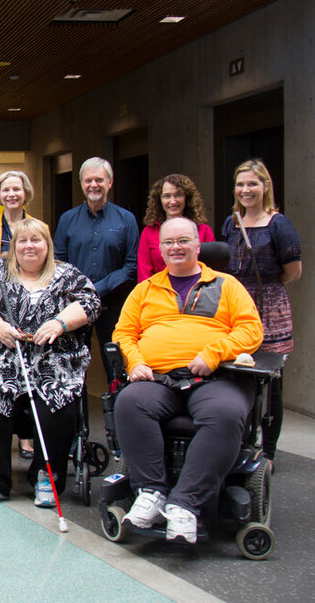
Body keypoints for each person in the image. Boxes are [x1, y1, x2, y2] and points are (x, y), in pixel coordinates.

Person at [113, 217, 263, 543]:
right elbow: (124, 333)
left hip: (216, 379)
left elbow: (251, 330)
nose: (176, 247)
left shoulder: (227, 285)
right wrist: (136, 361)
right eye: (168, 242)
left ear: (198, 244)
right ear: (160, 249)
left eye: (183, 241)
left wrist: (213, 353)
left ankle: (185, 504)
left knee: (224, 413)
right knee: (129, 402)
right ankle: (151, 492)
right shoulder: (145, 289)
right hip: (159, 379)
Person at [0, 218, 99, 508]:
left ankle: (46, 476)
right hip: (3, 359)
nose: (29, 246)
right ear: (13, 246)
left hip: (54, 361)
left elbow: (90, 302)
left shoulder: (66, 274)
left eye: (36, 240)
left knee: (58, 399)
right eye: (22, 241)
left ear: (48, 245)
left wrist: (59, 323)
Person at [221, 159, 301, 462]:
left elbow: (294, 271)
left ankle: (267, 452)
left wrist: (264, 288)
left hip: (269, 309)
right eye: (240, 184)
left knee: (272, 382)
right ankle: (242, 445)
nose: (246, 190)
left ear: (265, 186)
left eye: (252, 183)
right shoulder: (231, 222)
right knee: (238, 374)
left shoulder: (279, 224)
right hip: (235, 305)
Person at [0, 169, 47, 459]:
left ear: (25, 192)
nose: (11, 194)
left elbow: (48, 263)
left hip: (32, 307)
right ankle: (0, 437)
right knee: (1, 371)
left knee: (30, 372)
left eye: (17, 189)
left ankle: (27, 438)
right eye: (6, 190)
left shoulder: (39, 227)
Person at [53, 157, 138, 383]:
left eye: (99, 180)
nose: (94, 185)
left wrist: (96, 289)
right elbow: (58, 262)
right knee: (73, 366)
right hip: (74, 305)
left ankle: (119, 411)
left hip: (113, 304)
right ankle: (77, 418)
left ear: (110, 183)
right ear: (81, 183)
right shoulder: (67, 220)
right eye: (88, 180)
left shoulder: (126, 220)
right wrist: (79, 292)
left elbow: (131, 265)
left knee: (116, 364)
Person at [137, 174, 215, 282]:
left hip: (198, 292)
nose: (172, 201)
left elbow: (212, 269)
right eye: (167, 196)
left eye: (178, 195)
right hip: (158, 293)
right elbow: (143, 273)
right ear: (159, 200)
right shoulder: (149, 232)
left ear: (186, 198)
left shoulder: (204, 230)